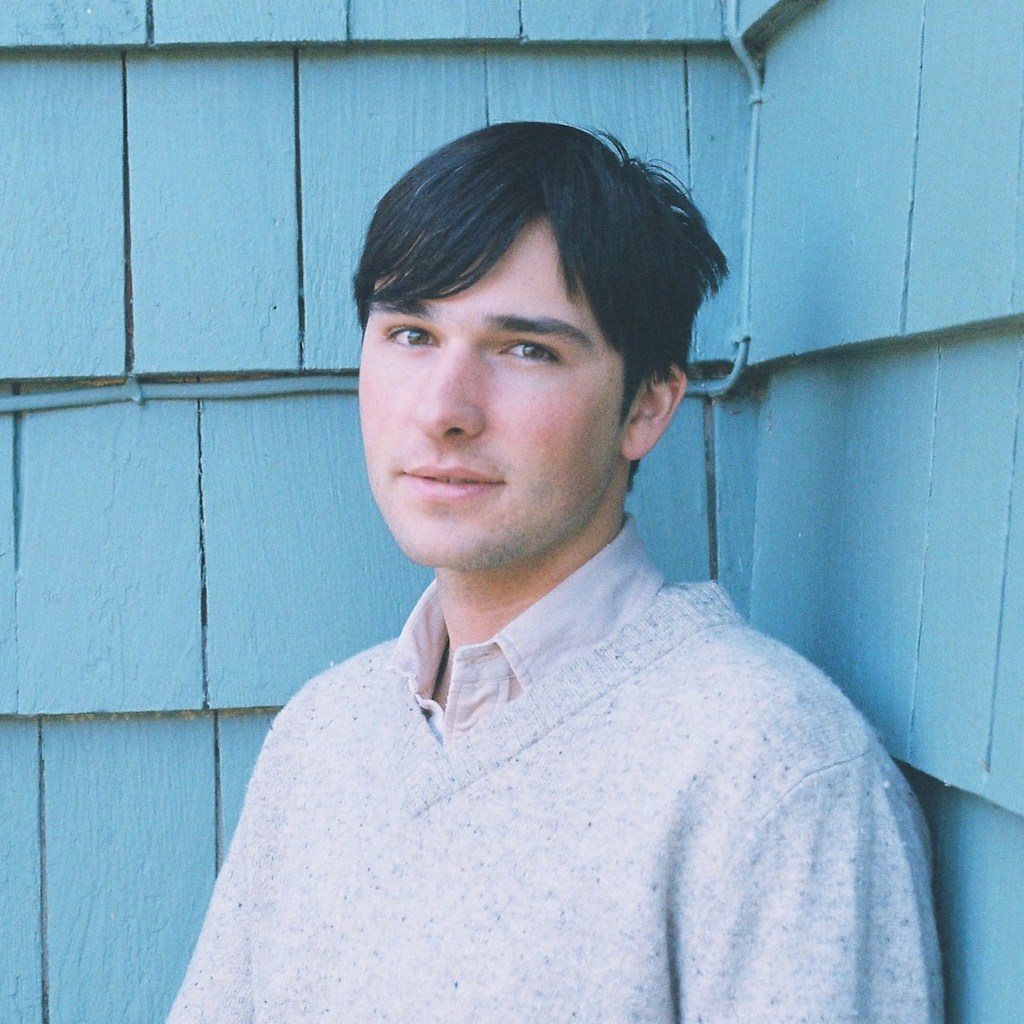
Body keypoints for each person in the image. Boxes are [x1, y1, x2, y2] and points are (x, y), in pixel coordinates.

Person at [168, 121, 942, 1022]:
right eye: (411, 334)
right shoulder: (323, 737)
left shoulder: (771, 769)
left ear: (648, 406)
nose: (443, 410)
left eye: (525, 349)